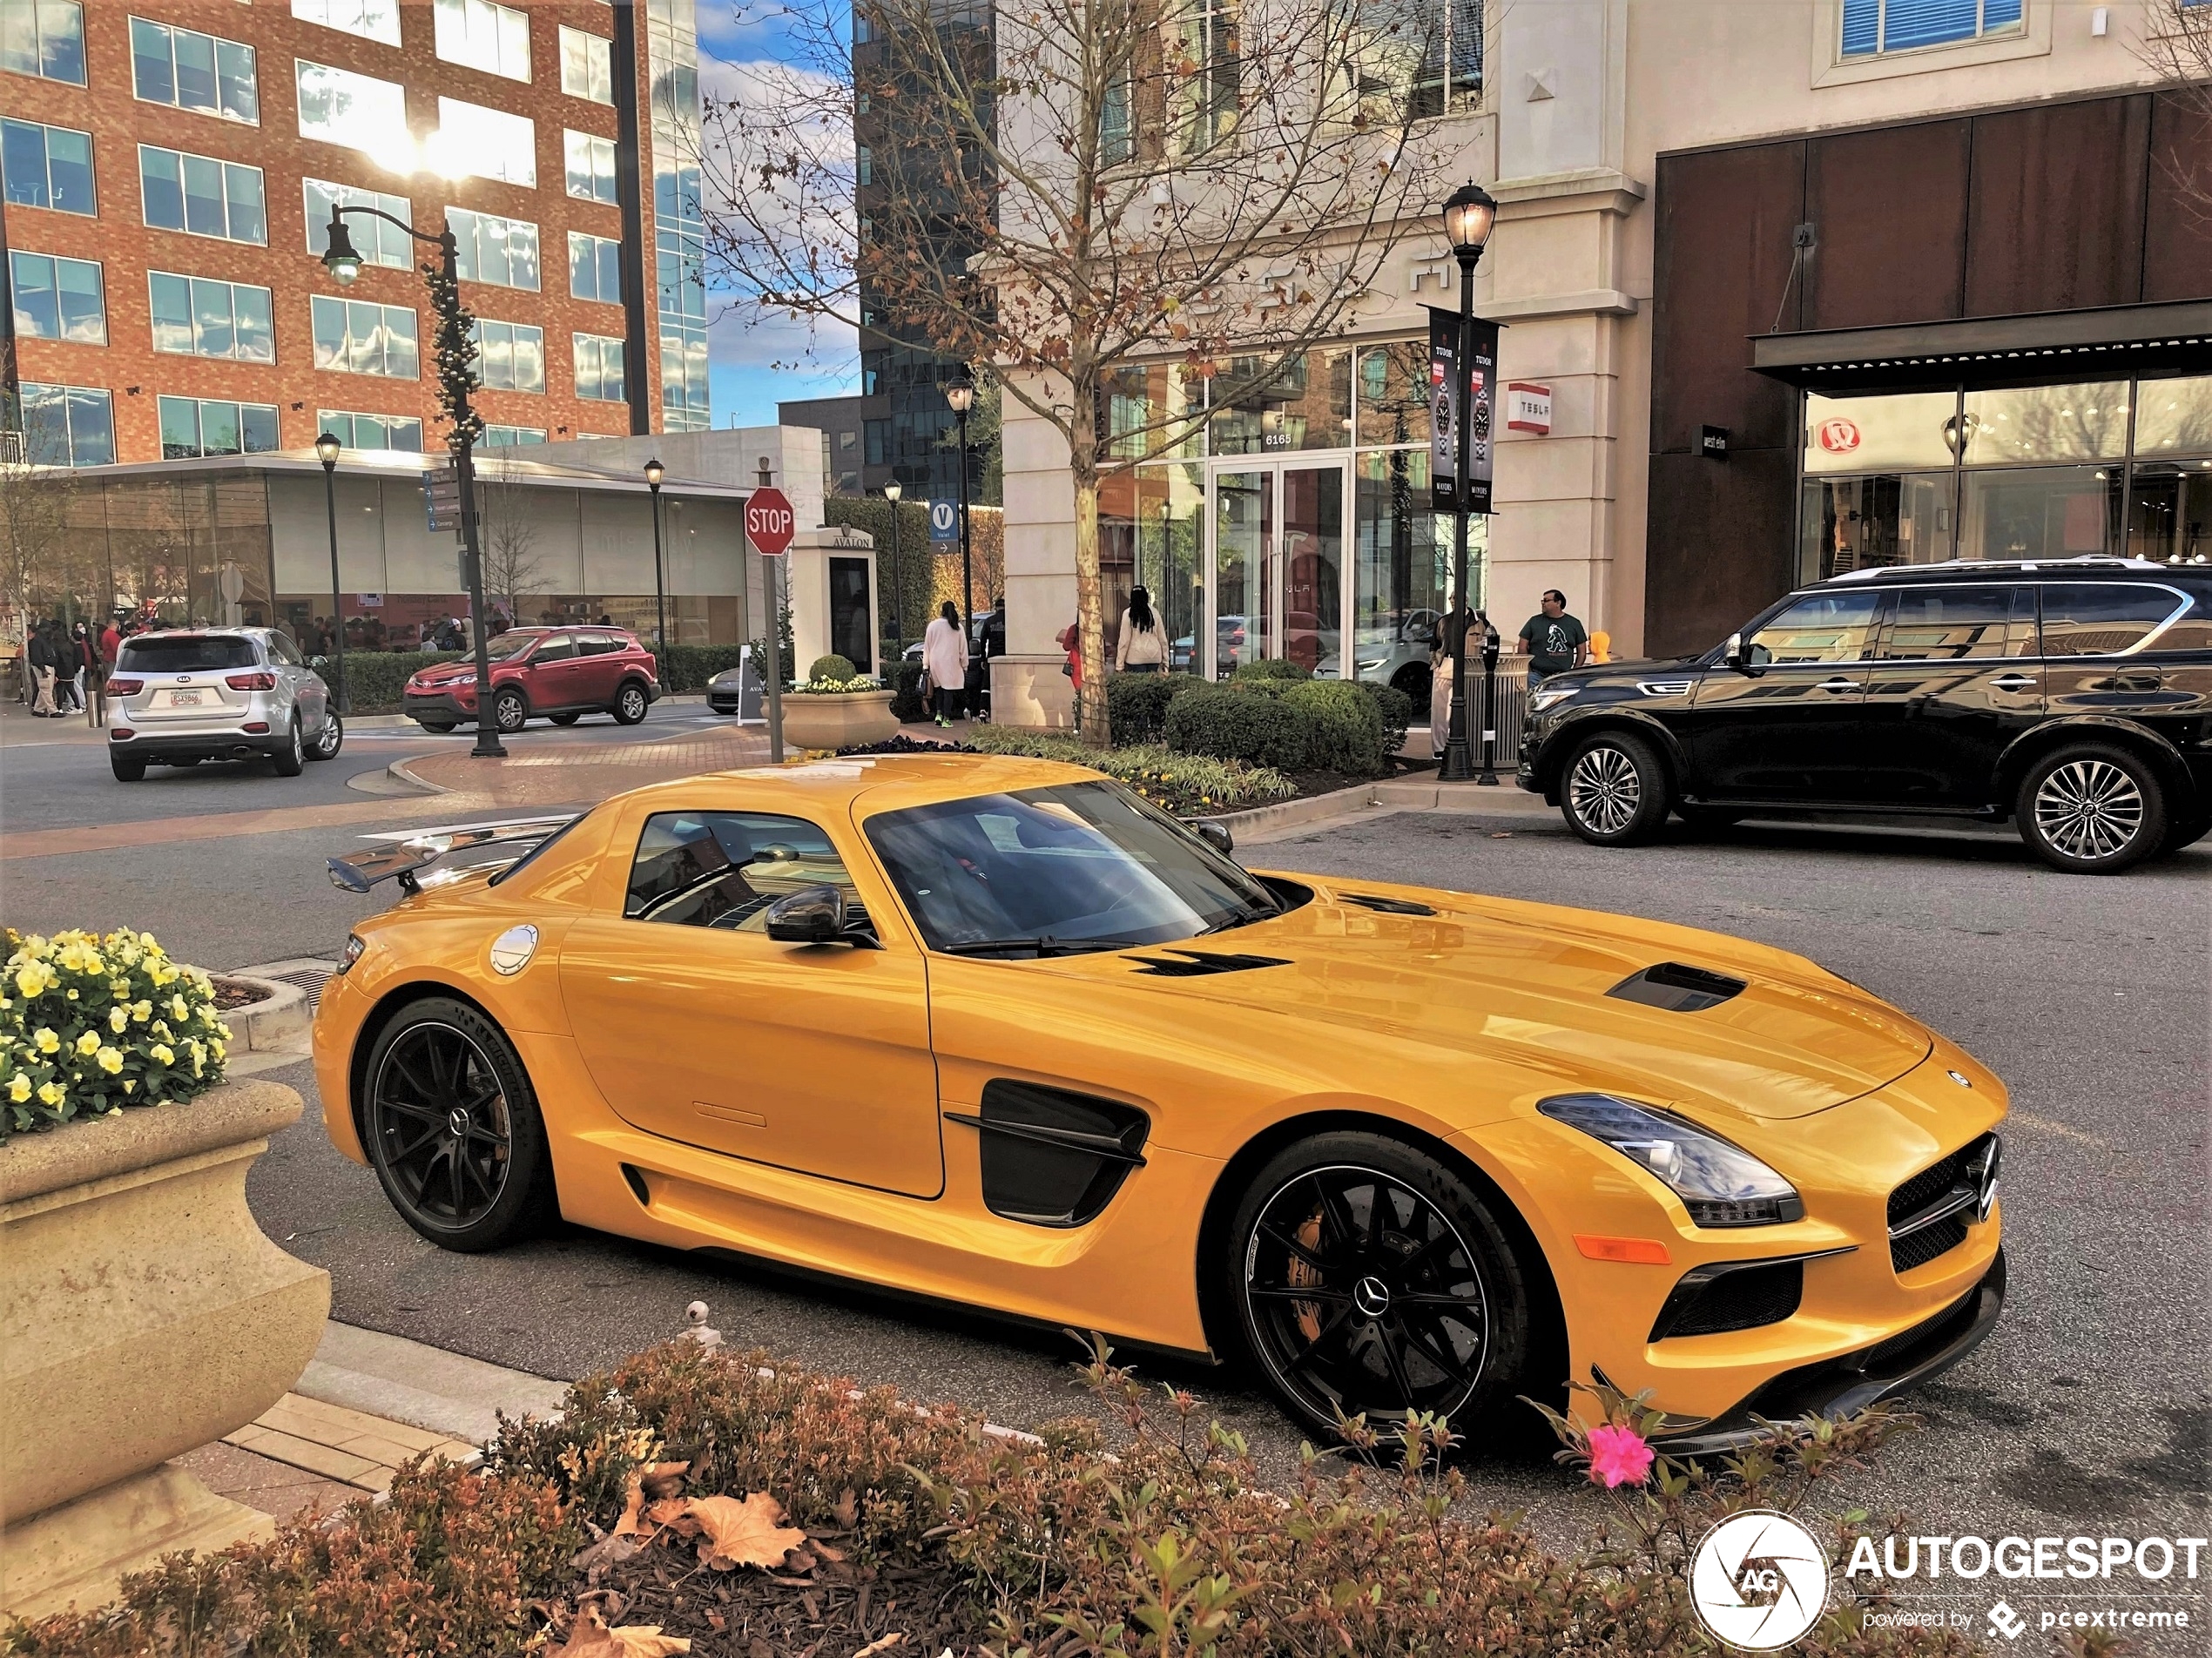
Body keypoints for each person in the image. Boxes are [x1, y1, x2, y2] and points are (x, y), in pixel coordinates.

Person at [1517, 590, 1589, 687]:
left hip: (1564, 676)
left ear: (1558, 603)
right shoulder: (1534, 621)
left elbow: (1582, 652)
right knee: (1536, 701)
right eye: (1542, 601)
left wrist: (1574, 672)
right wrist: (1528, 671)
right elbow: (1522, 646)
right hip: (1537, 675)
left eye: (1546, 600)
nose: (1543, 603)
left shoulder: (1574, 623)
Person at [922, 600, 968, 726]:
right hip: (951, 662)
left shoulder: (932, 625)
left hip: (935, 662)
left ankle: (938, 714)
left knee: (939, 689)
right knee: (949, 690)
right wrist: (965, 665)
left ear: (942, 610)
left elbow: (927, 647)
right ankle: (946, 719)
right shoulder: (958, 627)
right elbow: (963, 649)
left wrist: (925, 665)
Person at [1114, 585, 1166, 673]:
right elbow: (1163, 640)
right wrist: (1166, 662)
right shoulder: (1154, 612)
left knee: (1139, 686)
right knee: (1153, 686)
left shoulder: (1128, 614)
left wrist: (1119, 665)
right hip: (1154, 657)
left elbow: (1124, 641)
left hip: (1135, 659)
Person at [27, 625, 57, 716]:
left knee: (45, 689)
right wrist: (42, 668)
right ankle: (53, 710)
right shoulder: (37, 642)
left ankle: (38, 709)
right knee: (46, 688)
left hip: (48, 665)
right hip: (43, 666)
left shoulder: (44, 641)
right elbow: (37, 657)